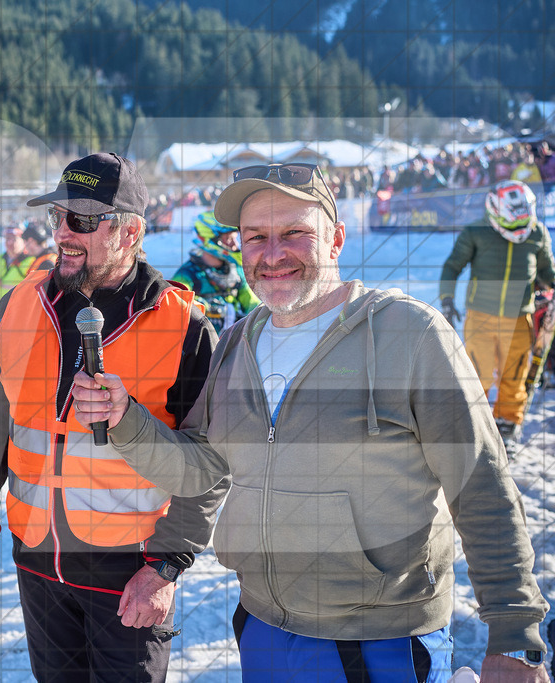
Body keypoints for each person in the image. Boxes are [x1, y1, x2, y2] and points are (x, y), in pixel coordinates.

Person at [72, 162, 550, 682]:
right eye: (256, 237)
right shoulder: (236, 345)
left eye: (295, 233)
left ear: (336, 238)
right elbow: (202, 469)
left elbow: (482, 485)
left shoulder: (409, 335)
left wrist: (515, 636)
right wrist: (126, 419)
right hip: (264, 627)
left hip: (380, 640)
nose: (273, 254)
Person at [0, 152, 224, 682]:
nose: (63, 232)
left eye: (82, 220)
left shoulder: (185, 327)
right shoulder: (17, 307)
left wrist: (167, 567)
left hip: (130, 573)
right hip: (37, 563)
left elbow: (211, 465)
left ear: (130, 232)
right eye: (56, 217)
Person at [439, 179, 555, 452]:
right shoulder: (476, 231)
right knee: (476, 375)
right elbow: (452, 266)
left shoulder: (537, 233)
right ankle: (472, 429)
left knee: (514, 376)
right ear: (495, 211)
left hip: (519, 319)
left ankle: (507, 429)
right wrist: (446, 298)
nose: (518, 229)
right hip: (481, 316)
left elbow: (547, 272)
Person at [172, 221, 259, 333]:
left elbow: (252, 303)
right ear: (210, 239)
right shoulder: (187, 273)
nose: (235, 245)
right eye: (228, 239)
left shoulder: (235, 270)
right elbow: (175, 302)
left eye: (235, 239)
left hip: (234, 340)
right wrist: (206, 307)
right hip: (201, 341)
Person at [0, 224, 35, 298]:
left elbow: (34, 291)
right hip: (1, 308)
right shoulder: (0, 258)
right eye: (7, 239)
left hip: (20, 308)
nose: (9, 242)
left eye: (14, 239)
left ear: (23, 241)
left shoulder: (31, 261)